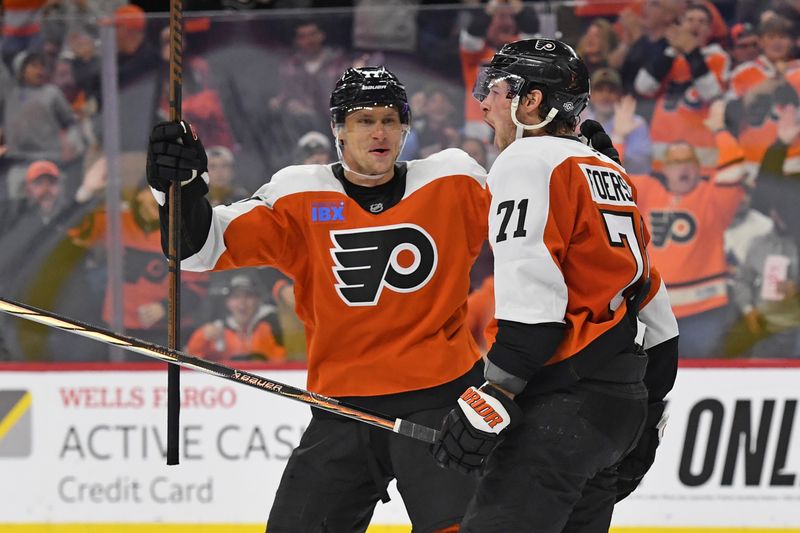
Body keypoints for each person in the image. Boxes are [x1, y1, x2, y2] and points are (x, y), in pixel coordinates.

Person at [146, 65, 490, 532]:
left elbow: (532, 226)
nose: (379, 132)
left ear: (406, 126)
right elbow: (198, 249)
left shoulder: (455, 180)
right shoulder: (300, 194)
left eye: (390, 119)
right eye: (364, 120)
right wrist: (178, 191)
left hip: (441, 402)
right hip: (342, 408)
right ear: (338, 131)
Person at [431, 39, 680, 531]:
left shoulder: (528, 160)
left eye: (496, 89)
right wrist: (646, 417)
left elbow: (534, 308)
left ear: (531, 102)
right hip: (618, 406)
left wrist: (494, 394)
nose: (483, 102)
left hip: (563, 406)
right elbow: (656, 313)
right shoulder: (608, 170)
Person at [186, 274, 286, 362]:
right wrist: (202, 337)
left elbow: (282, 360)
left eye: (248, 296)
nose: (242, 303)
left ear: (258, 300)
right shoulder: (217, 331)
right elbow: (191, 359)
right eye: (235, 297)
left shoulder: (271, 326)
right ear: (227, 303)